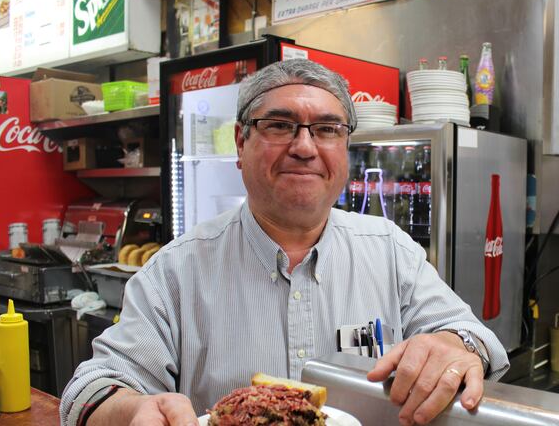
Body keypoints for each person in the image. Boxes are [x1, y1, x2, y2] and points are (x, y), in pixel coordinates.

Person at [60, 59, 509, 426]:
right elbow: (91, 389)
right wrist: (135, 409)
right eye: (279, 125)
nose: (305, 147)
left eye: (328, 129)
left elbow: (478, 339)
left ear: (345, 150)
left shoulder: (390, 250)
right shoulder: (177, 271)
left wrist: (454, 345)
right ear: (241, 142)